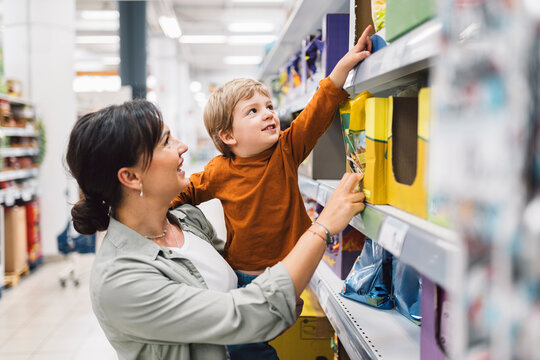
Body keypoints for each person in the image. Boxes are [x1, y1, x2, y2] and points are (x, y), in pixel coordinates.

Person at [65, 99, 365, 360]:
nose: (183, 147)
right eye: (167, 142)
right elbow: (244, 314)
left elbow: (246, 283)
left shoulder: (185, 222)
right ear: (130, 176)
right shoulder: (121, 281)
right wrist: (322, 227)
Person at [169, 25, 372, 358]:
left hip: (291, 268)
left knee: (262, 334)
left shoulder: (287, 150)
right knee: (247, 346)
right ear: (229, 136)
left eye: (268, 106)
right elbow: (183, 192)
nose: (268, 114)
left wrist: (343, 66)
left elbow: (317, 111)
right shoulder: (219, 170)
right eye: (253, 111)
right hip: (242, 274)